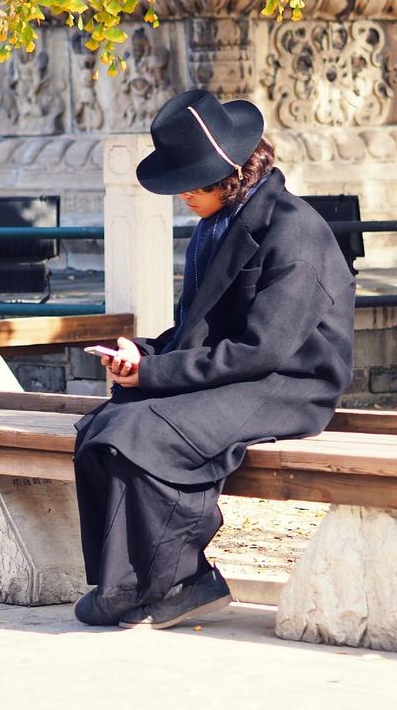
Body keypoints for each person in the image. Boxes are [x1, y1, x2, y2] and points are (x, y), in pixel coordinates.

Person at [73, 89, 356, 628]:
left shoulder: (295, 232)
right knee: (103, 426)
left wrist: (154, 374)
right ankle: (127, 585)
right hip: (242, 374)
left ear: (227, 177)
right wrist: (144, 353)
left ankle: (181, 583)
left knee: (143, 433)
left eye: (188, 184)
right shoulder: (217, 227)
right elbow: (198, 327)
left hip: (291, 384)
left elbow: (264, 348)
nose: (181, 196)